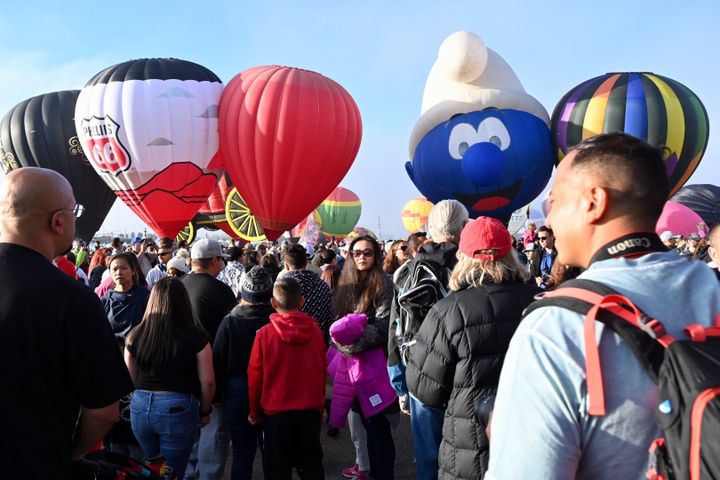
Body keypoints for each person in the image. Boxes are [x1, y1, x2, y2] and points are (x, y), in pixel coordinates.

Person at [485, 133, 720, 479]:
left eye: (555, 202)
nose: (547, 221)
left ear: (593, 201)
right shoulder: (711, 287)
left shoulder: (554, 326)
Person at [0, 167, 133, 478]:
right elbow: (104, 412)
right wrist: (67, 451)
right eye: (74, 211)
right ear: (58, 221)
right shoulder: (73, 300)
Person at [406, 217, 541, 479]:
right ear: (511, 254)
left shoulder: (448, 310)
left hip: (469, 444)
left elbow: (425, 388)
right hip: (536, 438)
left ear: (463, 257)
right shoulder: (543, 302)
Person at [387, 200, 467, 480]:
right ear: (463, 228)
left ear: (430, 230)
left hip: (420, 374)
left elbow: (395, 329)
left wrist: (398, 381)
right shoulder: (469, 266)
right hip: (465, 373)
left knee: (428, 456)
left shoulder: (406, 272)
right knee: (470, 455)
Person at [125, 277, 215, 478]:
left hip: (140, 407)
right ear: (184, 302)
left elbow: (128, 379)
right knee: (173, 473)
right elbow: (208, 381)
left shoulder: (135, 335)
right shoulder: (197, 336)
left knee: (150, 469)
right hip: (177, 408)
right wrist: (205, 411)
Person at [248, 277, 326, 480]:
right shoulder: (315, 330)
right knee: (311, 470)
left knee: (277, 472)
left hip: (276, 415)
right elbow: (321, 370)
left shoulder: (264, 334)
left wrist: (254, 411)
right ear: (301, 302)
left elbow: (255, 376)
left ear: (273, 303)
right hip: (309, 411)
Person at [334, 235, 396, 480]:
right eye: (356, 252)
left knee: (379, 429)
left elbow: (383, 328)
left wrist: (347, 343)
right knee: (366, 427)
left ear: (376, 255)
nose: (361, 257)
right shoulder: (345, 284)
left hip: (374, 366)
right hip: (351, 369)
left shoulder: (383, 283)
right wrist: (339, 340)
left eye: (367, 252)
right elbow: (335, 325)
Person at [213, 266, 275, 480]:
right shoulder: (276, 321)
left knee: (241, 452)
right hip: (273, 389)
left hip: (237, 391)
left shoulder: (231, 320)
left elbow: (217, 361)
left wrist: (215, 395)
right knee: (272, 453)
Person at [181, 239, 236, 480]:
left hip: (179, 374)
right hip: (211, 375)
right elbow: (227, 340)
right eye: (221, 259)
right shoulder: (221, 291)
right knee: (213, 434)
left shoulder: (176, 286)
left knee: (186, 434)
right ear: (215, 260)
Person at [281, 243, 335, 337]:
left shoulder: (281, 289)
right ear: (306, 262)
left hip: (290, 343)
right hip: (319, 343)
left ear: (286, 265)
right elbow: (330, 319)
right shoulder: (323, 286)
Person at [102, 252, 151, 346]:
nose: (119, 272)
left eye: (123, 268)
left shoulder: (146, 296)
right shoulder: (105, 301)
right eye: (115, 269)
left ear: (133, 271)